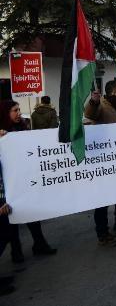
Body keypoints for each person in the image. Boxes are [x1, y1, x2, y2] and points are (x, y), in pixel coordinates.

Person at [0, 100, 57, 262]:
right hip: (6, 184)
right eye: (14, 110)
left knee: (31, 212)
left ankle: (39, 243)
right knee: (11, 218)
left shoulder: (22, 128)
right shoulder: (2, 133)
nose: (18, 113)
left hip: (23, 179)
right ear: (5, 113)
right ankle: (16, 251)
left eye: (19, 109)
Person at [85, 80, 116, 245]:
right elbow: (90, 114)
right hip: (104, 162)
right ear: (114, 91)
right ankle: (103, 234)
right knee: (103, 200)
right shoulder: (103, 106)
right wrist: (93, 101)